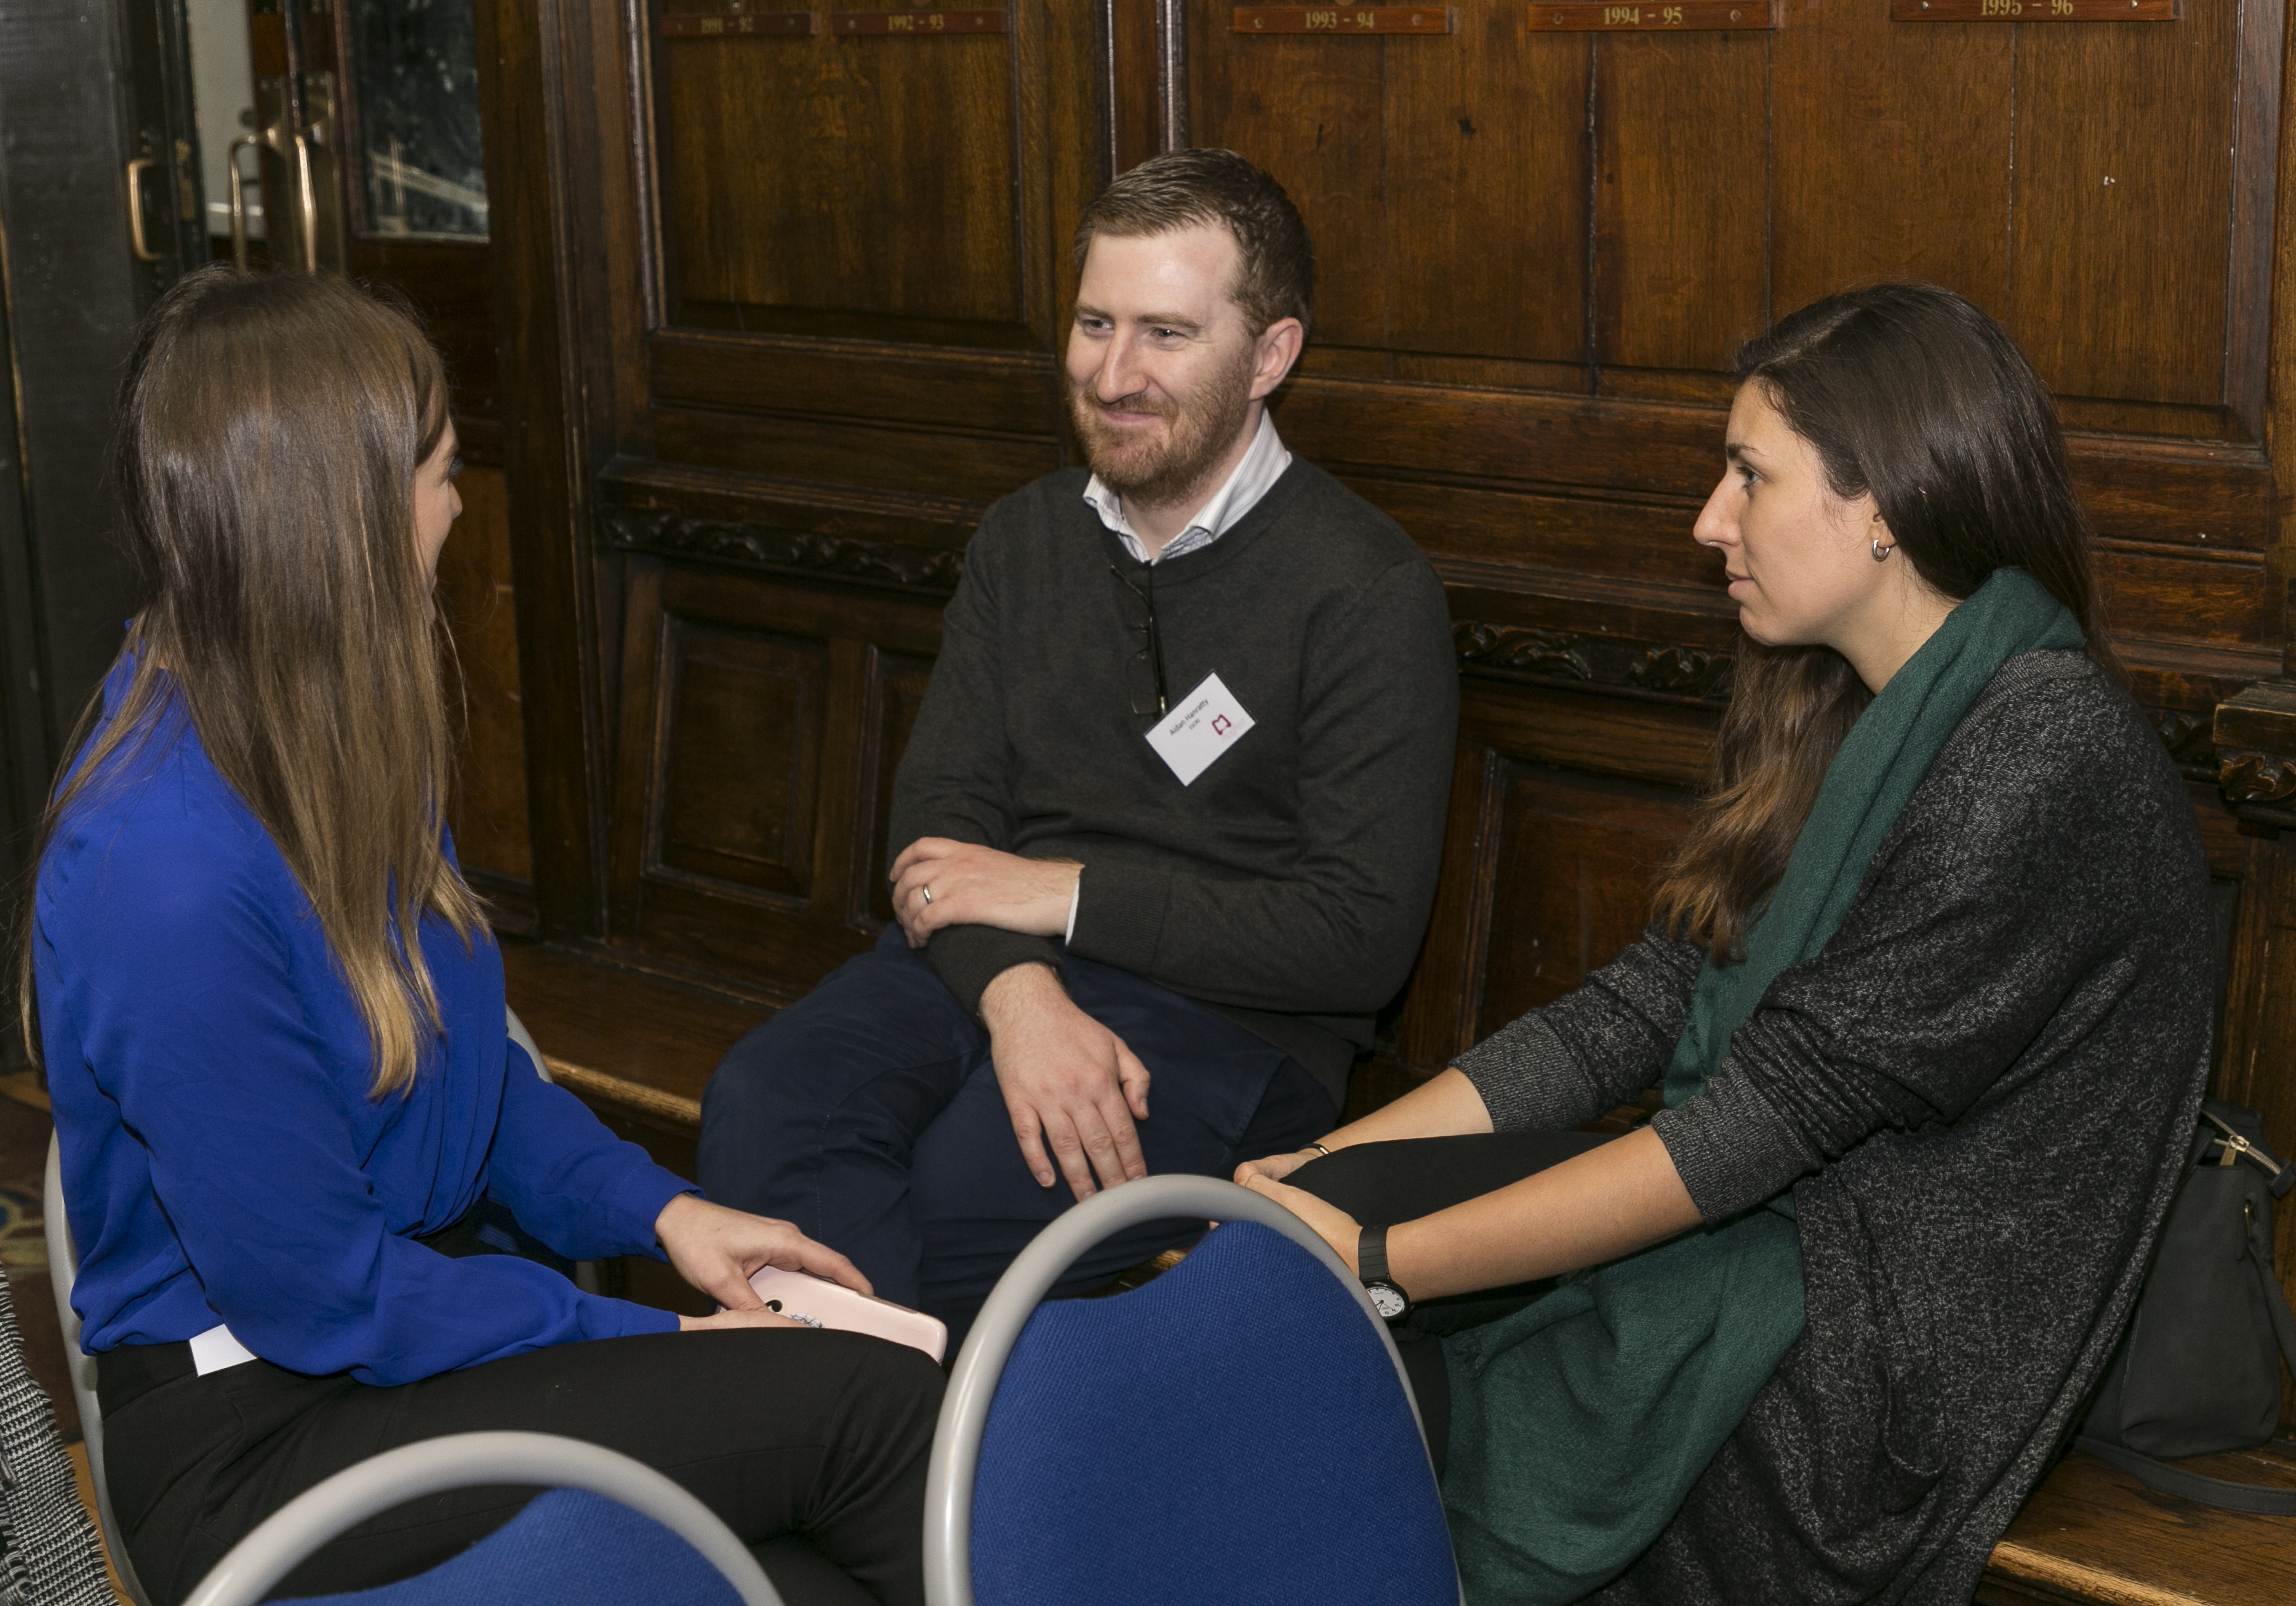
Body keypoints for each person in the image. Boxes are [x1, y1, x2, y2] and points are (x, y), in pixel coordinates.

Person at [1238, 284, 2214, 1604]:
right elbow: (1638, 1008)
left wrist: (1367, 1261)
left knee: (1339, 1372)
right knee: (1292, 1273)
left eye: (1750, 473)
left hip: (1882, 1360)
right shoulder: (1835, 696)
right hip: (1785, 1221)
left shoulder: (2045, 755)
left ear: (1883, 504)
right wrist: (1322, 1173)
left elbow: (1754, 1127)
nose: (1710, 519)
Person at [23, 265, 944, 1606]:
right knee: (871, 1409)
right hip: (266, 1443)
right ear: (339, 524)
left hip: (407, 1328)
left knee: (808, 1557)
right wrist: (648, 1332)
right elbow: (327, 1299)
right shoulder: (160, 871)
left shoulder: (322, 735)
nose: (460, 508)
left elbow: (471, 1081)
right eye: (447, 473)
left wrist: (666, 1208)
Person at [698, 148, 1459, 1341]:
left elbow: (1356, 939)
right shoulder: (1024, 539)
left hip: (1232, 1024)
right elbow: (936, 831)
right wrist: (1018, 993)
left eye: (1164, 333)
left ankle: (875, 1468)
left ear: (1270, 356)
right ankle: (882, 1463)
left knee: (967, 1196)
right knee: (768, 1100)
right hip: (988, 961)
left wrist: (1061, 897)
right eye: (1094, 323)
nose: (1113, 374)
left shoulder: (1365, 588)